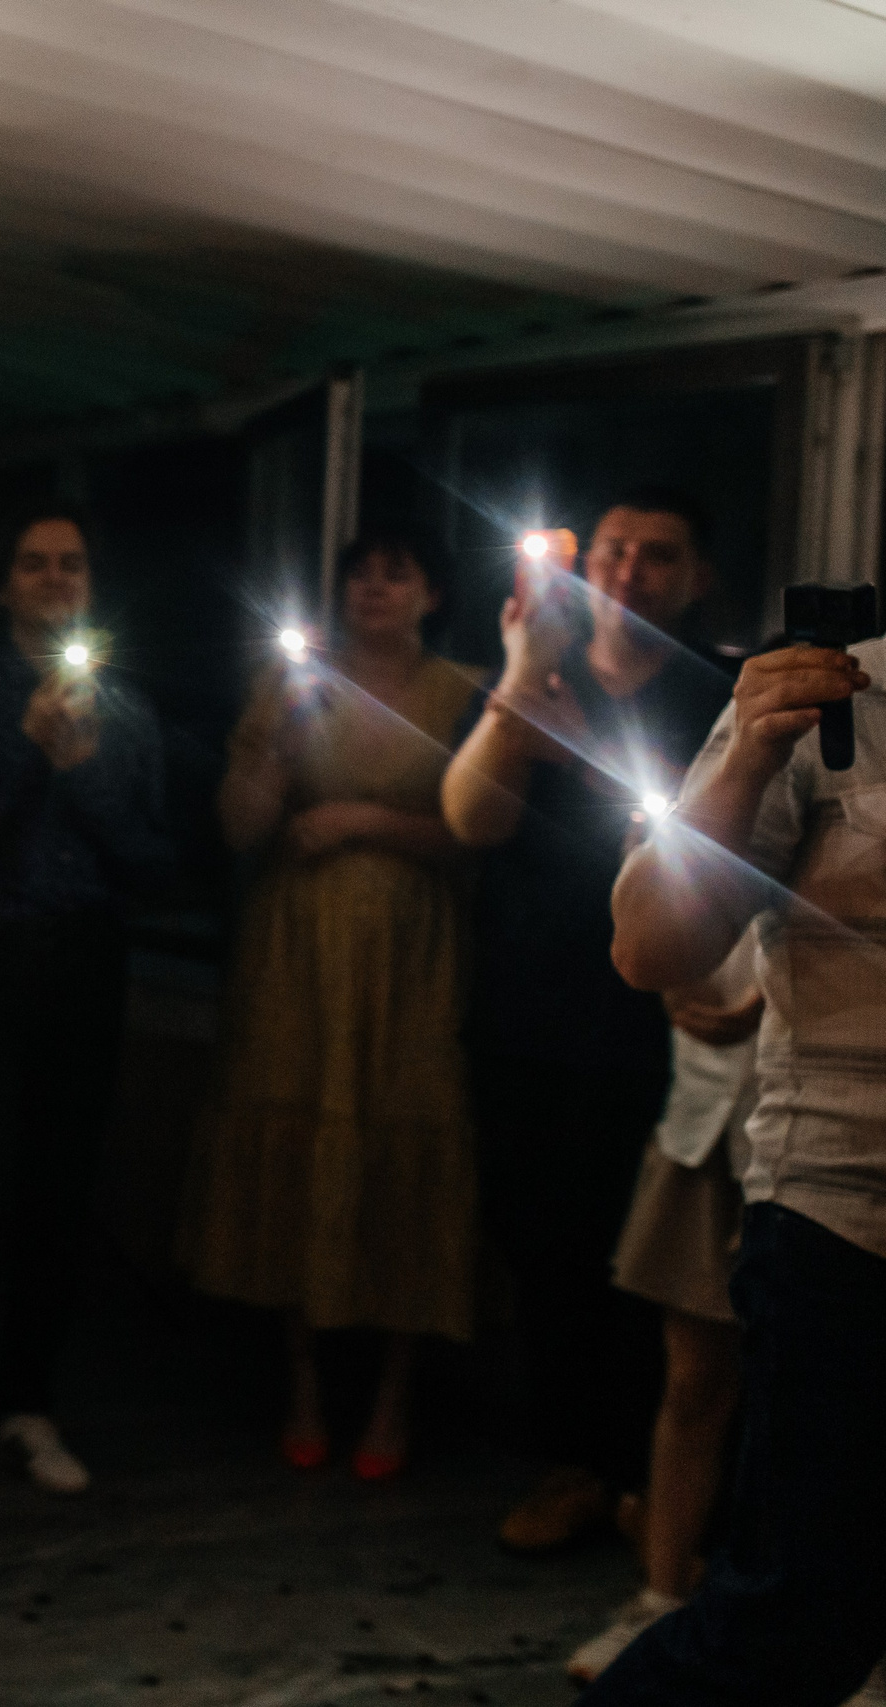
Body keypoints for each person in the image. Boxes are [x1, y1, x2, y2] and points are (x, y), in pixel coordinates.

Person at [593, 621, 886, 1706]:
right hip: (847, 1213)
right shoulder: (838, 695)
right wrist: (751, 753)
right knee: (798, 1612)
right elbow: (648, 946)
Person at [442, 489, 731, 1555]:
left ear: (694, 579)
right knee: (541, 1247)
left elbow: (722, 860)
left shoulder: (716, 696)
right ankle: (570, 1464)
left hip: (662, 1027)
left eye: (657, 555)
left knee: (644, 1263)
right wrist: (521, 682)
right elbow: (467, 817)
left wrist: (590, 761)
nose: (627, 572)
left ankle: (643, 1479)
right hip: (525, 1010)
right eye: (611, 551)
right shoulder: (536, 671)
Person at [0, 502, 176, 1498]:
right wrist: (22, 752)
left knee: (61, 1191)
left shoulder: (127, 713)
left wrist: (78, 772)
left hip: (83, 966)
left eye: (73, 566)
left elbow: (150, 859)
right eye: (36, 563)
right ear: (4, 584)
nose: (57, 580)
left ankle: (30, 1407)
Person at [182, 532, 482, 1479]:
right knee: (299, 1133)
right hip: (296, 949)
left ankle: (394, 1395)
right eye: (360, 571)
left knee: (408, 1137)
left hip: (412, 953)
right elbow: (238, 826)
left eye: (398, 569)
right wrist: (276, 738)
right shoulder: (289, 686)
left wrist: (365, 821)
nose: (375, 587)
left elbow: (485, 831)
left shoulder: (462, 691)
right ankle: (305, 1382)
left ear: (431, 590)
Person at [566, 934, 758, 1683]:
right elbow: (651, 919)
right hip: (707, 1106)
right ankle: (662, 1599)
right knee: (692, 1383)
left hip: (838, 1125)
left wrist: (770, 1001)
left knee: (840, 1401)